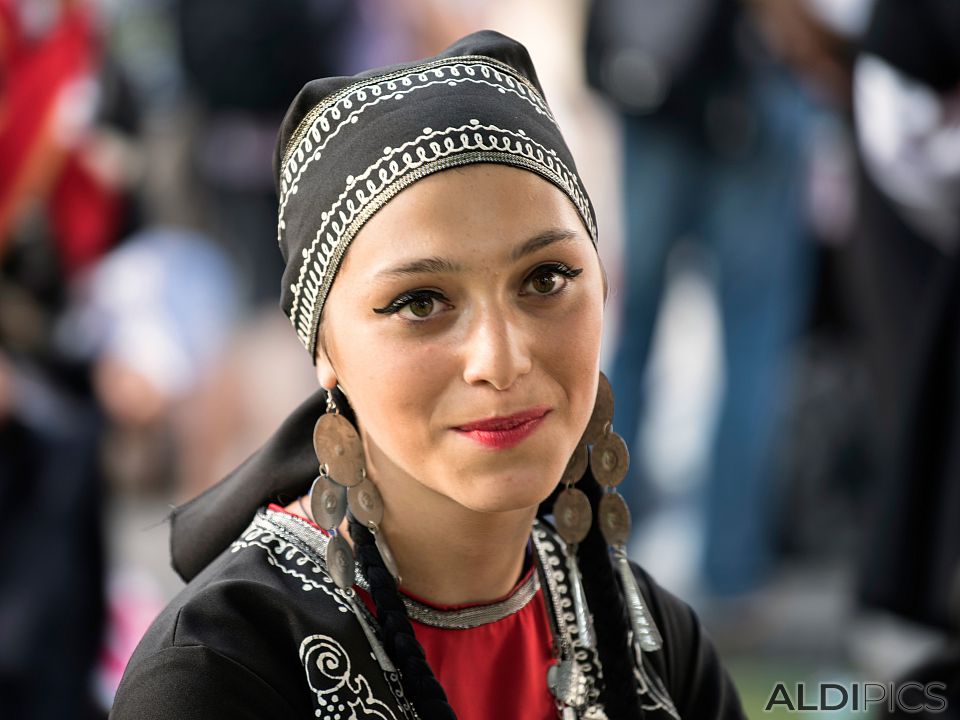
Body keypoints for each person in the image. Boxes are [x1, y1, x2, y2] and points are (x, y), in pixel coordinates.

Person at [110, 31, 745, 720]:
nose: (501, 361)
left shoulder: (650, 635)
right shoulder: (218, 672)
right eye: (420, 303)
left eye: (545, 279)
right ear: (324, 348)